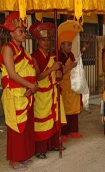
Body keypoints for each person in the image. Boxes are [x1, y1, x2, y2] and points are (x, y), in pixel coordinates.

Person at [0, 12, 38, 170]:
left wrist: (32, 85)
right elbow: (13, 74)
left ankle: (23, 156)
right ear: (11, 33)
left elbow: (30, 69)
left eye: (24, 31)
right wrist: (31, 86)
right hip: (15, 94)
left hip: (26, 93)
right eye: (20, 31)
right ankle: (14, 160)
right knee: (16, 127)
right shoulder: (7, 49)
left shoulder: (23, 50)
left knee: (26, 127)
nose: (24, 34)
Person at [29, 22, 67, 159]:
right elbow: (37, 76)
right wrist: (51, 69)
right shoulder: (34, 56)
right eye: (43, 40)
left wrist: (59, 74)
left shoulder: (53, 55)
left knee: (54, 118)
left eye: (48, 40)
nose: (46, 43)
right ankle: (40, 149)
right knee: (42, 121)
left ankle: (53, 144)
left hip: (53, 91)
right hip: (41, 93)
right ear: (38, 41)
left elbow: (60, 73)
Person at [58, 20, 83, 141]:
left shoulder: (71, 55)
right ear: (61, 45)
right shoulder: (59, 56)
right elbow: (59, 72)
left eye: (70, 44)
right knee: (64, 109)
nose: (69, 47)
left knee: (74, 107)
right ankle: (62, 133)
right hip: (63, 86)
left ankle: (73, 130)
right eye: (67, 44)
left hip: (72, 85)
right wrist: (70, 67)